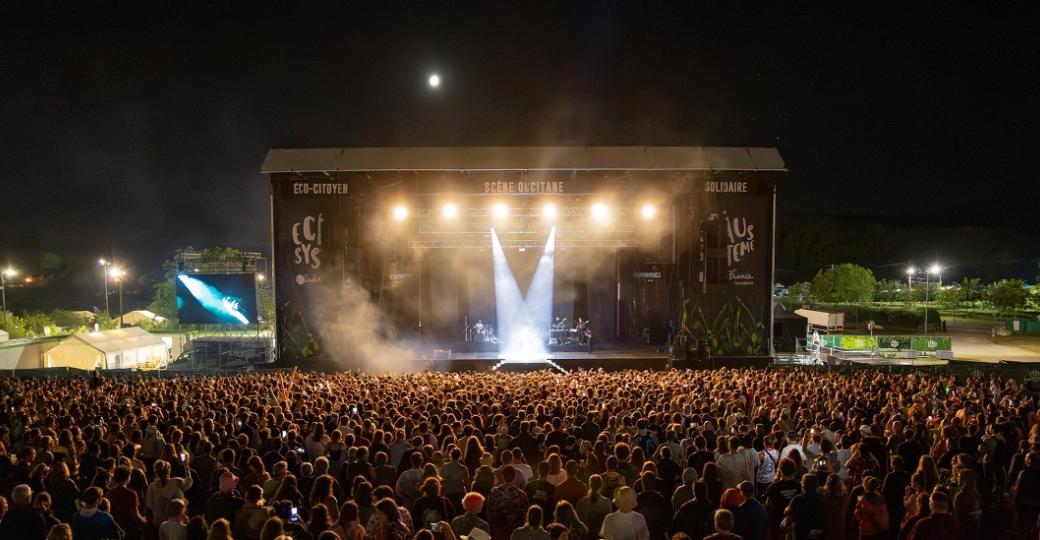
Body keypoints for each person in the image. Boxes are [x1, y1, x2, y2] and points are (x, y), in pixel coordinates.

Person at [487, 466, 529, 540]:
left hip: (498, 531)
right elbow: (525, 514)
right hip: (514, 532)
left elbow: (489, 511)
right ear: (514, 476)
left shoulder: (494, 492)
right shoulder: (521, 494)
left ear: (503, 476)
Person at [784, 474, 825, 540]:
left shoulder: (797, 499)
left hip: (801, 534)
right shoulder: (822, 499)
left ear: (802, 485)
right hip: (818, 533)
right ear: (816, 485)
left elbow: (787, 512)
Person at [575, 475, 611, 540]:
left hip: (585, 537)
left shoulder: (582, 502)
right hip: (600, 537)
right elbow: (608, 523)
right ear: (601, 486)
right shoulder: (606, 502)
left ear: (590, 485)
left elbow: (577, 521)